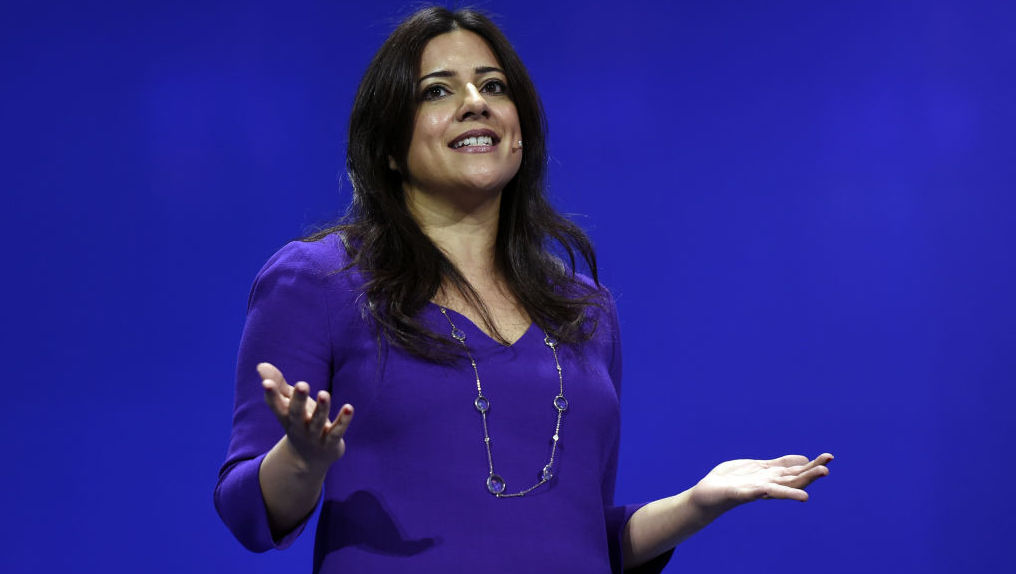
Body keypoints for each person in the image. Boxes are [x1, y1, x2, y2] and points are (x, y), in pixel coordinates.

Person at [214, 7, 833, 573]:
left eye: (494, 86)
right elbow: (247, 510)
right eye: (437, 90)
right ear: (389, 148)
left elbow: (584, 537)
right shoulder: (319, 280)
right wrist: (303, 460)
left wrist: (696, 504)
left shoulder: (585, 310)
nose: (475, 102)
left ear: (520, 132)